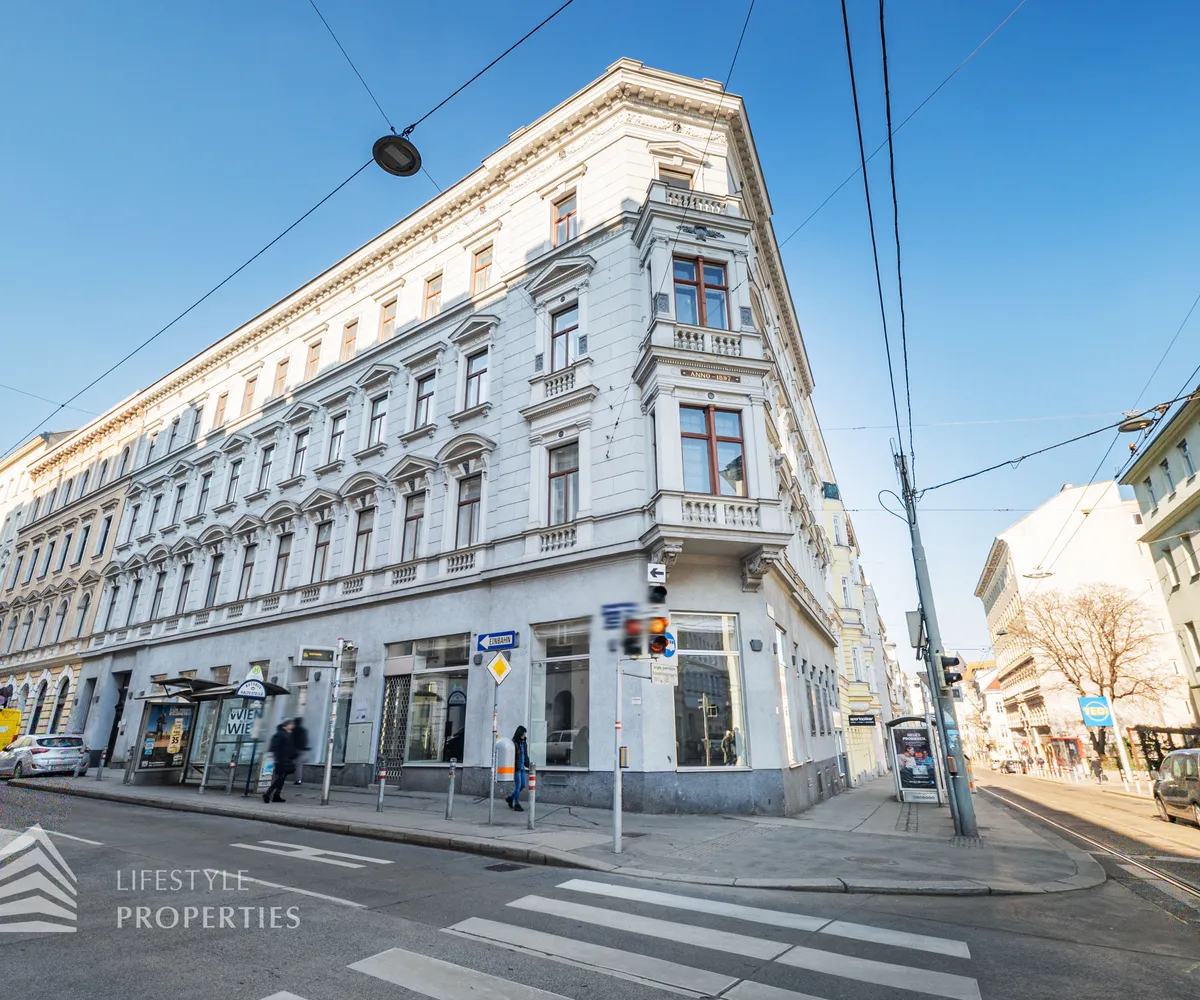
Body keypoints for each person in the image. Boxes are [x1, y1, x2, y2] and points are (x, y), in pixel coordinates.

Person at [263, 720, 296, 804]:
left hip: (285, 759)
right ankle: (268, 794)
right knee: (279, 778)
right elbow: (276, 747)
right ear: (287, 725)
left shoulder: (286, 734)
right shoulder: (281, 734)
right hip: (282, 759)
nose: (292, 726)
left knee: (282, 779)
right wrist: (278, 758)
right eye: (291, 724)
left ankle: (276, 795)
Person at [506, 725, 530, 812]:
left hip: (522, 766)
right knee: (518, 785)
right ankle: (516, 804)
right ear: (520, 733)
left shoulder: (524, 742)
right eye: (524, 733)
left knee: (523, 785)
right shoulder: (514, 743)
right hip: (516, 767)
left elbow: (525, 754)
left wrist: (528, 764)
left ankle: (510, 798)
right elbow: (511, 756)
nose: (524, 735)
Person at [291, 717, 311, 786]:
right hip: (301, 749)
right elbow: (306, 740)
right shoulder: (304, 730)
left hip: (294, 749)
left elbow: (291, 740)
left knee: (293, 763)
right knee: (299, 765)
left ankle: (282, 777)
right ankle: (298, 780)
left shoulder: (294, 730)